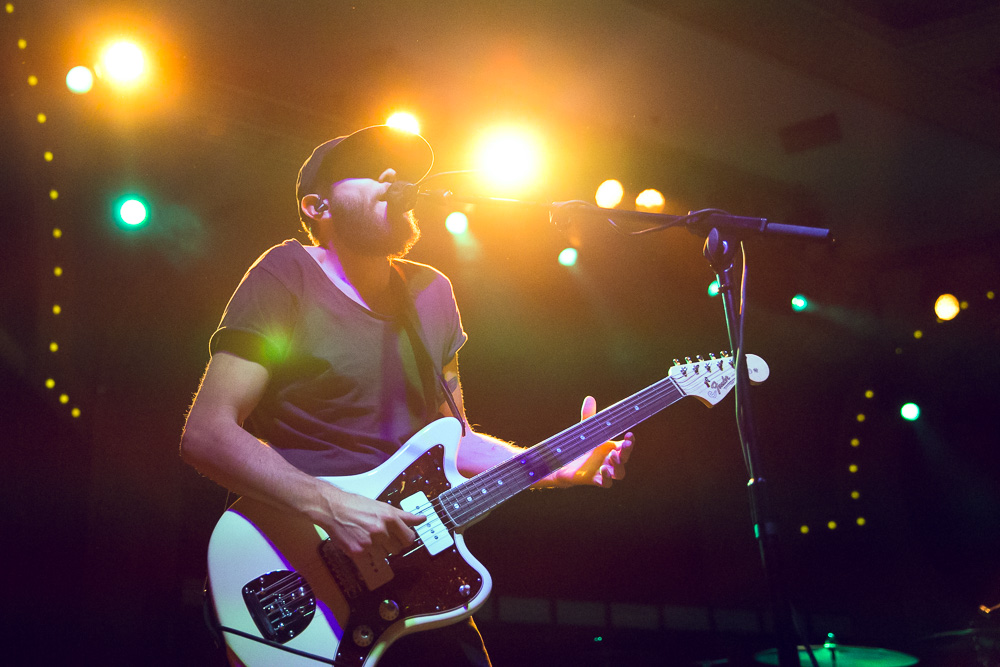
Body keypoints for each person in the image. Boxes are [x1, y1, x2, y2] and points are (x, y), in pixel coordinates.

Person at [180, 124, 634, 666]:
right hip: (303, 562)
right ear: (318, 206)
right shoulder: (286, 275)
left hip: (417, 577)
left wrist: (556, 465)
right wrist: (334, 506)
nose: (394, 178)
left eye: (400, 170)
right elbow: (206, 433)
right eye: (372, 169)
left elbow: (452, 440)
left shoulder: (432, 292)